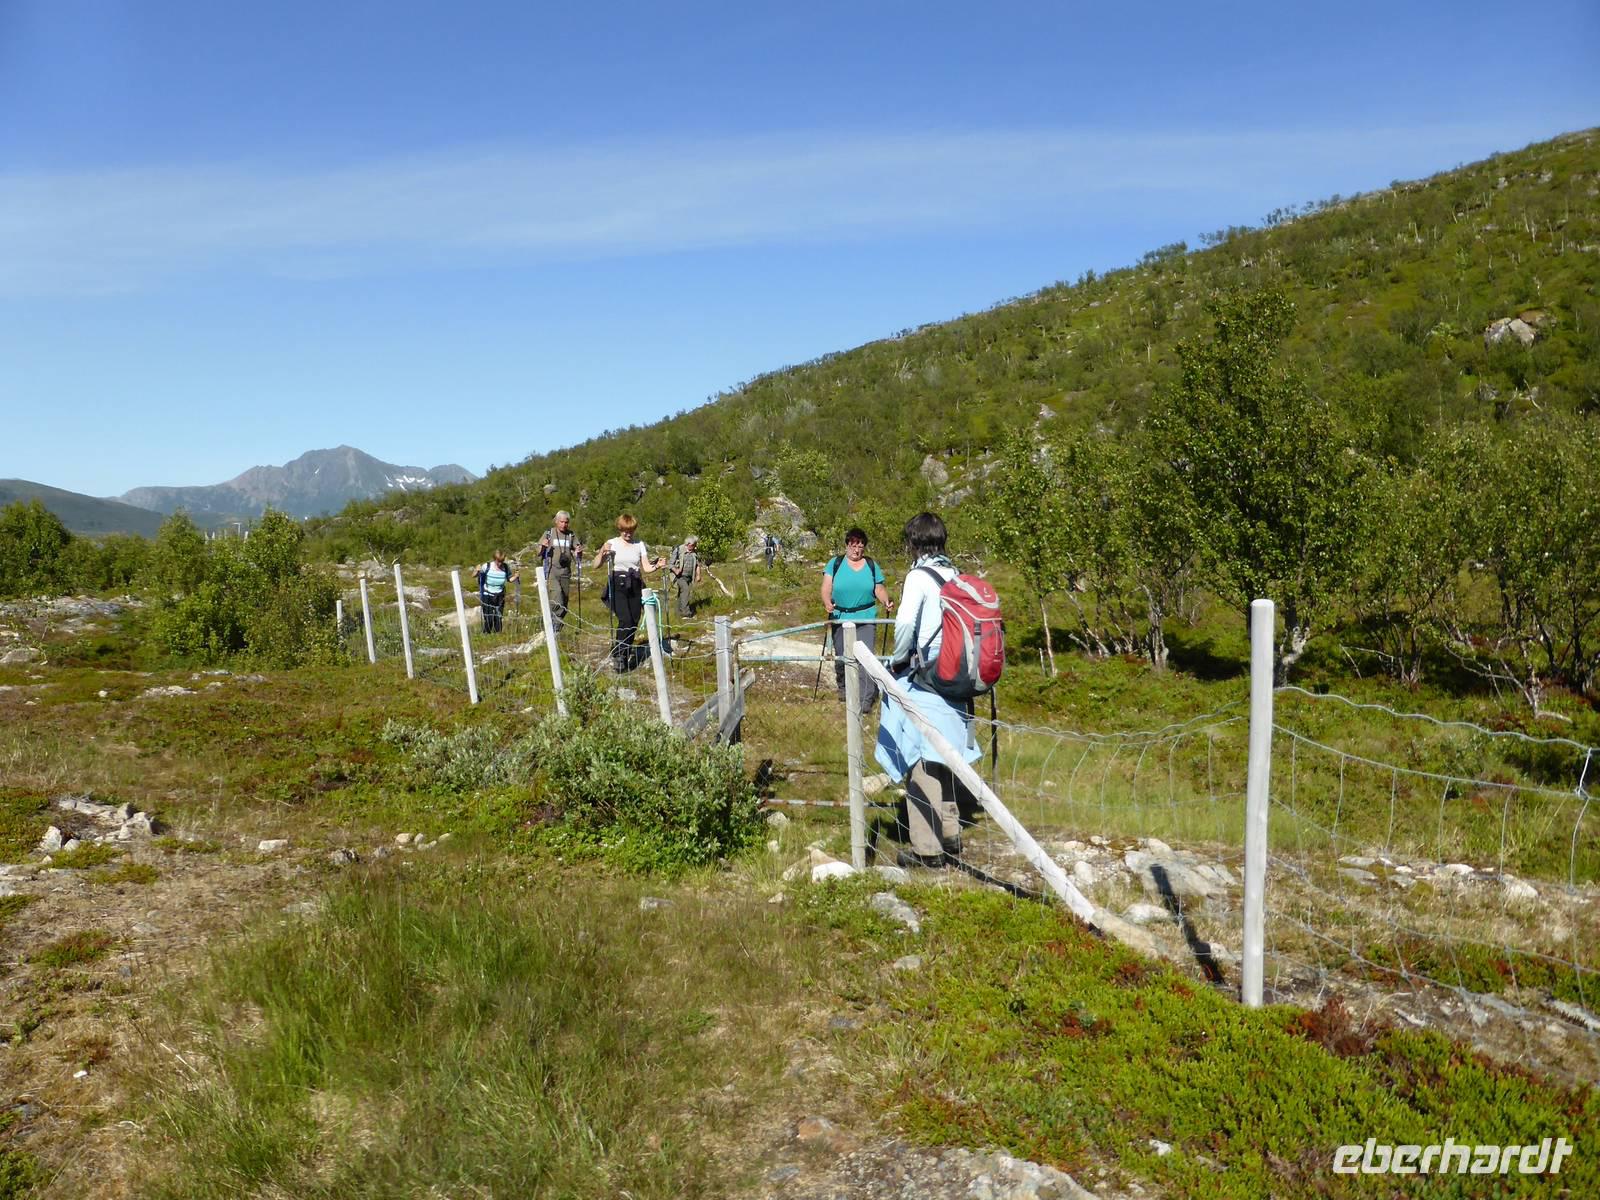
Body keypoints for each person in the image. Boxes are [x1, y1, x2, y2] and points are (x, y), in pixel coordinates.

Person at [874, 512, 980, 869]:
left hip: (929, 675)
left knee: (921, 756)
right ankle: (950, 833)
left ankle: (927, 849)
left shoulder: (919, 577)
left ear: (914, 543)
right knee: (945, 753)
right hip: (958, 675)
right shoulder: (956, 574)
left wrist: (898, 661)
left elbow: (905, 624)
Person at [820, 527, 892, 713]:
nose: (856, 549)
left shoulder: (871, 565)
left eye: (860, 545)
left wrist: (886, 601)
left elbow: (879, 588)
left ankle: (865, 699)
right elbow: (826, 587)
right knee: (842, 657)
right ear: (847, 545)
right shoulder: (835, 563)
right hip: (840, 617)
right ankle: (845, 690)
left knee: (865, 658)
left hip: (866, 617)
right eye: (853, 544)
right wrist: (827, 602)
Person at [590, 513, 665, 671]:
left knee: (634, 621)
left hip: (635, 583)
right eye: (625, 530)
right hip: (617, 584)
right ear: (620, 529)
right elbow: (595, 565)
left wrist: (657, 566)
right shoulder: (611, 543)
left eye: (631, 530)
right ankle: (619, 655)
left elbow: (646, 567)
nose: (628, 533)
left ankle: (625, 652)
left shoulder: (639, 544)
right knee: (625, 619)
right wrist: (602, 552)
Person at [538, 511, 582, 633]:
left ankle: (556, 627)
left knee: (564, 602)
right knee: (557, 597)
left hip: (565, 573)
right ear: (556, 521)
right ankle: (550, 626)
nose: (564, 524)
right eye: (561, 522)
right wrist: (543, 546)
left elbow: (578, 552)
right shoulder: (549, 533)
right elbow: (538, 552)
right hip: (552, 571)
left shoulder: (571, 535)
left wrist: (578, 551)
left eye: (566, 522)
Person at [474, 549, 519, 635]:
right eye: (498, 561)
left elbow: (509, 579)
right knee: (489, 617)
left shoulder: (505, 567)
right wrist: (476, 570)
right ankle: (486, 634)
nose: (500, 563)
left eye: (502, 561)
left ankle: (498, 634)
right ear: (494, 559)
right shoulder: (487, 566)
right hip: (487, 594)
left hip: (500, 595)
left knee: (498, 617)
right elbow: (475, 575)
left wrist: (515, 576)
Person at [668, 534, 704, 621]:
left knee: (682, 594)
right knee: (686, 591)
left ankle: (678, 612)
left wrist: (698, 575)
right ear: (688, 544)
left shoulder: (695, 552)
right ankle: (686, 614)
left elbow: (697, 565)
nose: (695, 546)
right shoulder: (679, 550)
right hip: (679, 577)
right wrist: (676, 570)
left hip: (689, 577)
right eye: (693, 545)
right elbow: (670, 564)